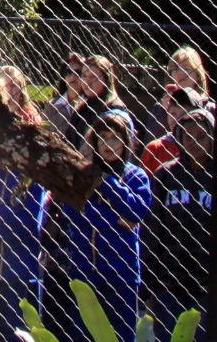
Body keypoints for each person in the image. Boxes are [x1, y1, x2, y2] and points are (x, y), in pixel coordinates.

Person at [49, 109, 152, 342]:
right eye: (103, 137)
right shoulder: (83, 174)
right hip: (85, 269)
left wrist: (106, 181)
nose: (108, 144)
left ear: (127, 141)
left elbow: (136, 210)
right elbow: (75, 211)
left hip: (121, 272)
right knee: (83, 334)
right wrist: (115, 220)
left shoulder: (136, 176)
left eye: (115, 137)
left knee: (121, 335)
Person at [0, 83, 48, 342]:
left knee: (18, 330)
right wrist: (6, 215)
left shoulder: (32, 180)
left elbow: (30, 222)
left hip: (21, 269)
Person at [144, 104, 216, 342]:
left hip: (207, 284)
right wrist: (151, 277)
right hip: (168, 282)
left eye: (201, 136)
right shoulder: (166, 175)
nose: (194, 142)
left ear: (212, 138)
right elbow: (152, 227)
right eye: (188, 136)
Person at [48, 53, 124, 147]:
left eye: (93, 77)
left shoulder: (113, 108)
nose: (87, 82)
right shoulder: (83, 107)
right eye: (84, 75)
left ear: (106, 79)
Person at [141, 87, 212, 176]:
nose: (177, 119)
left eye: (185, 113)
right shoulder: (155, 148)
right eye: (173, 113)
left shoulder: (208, 146)